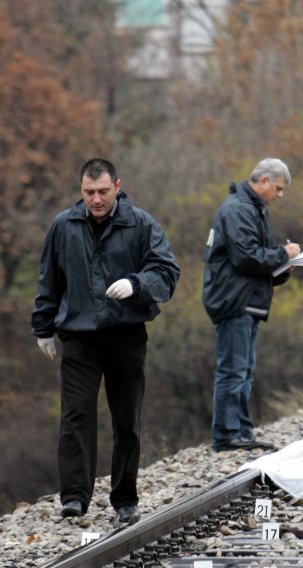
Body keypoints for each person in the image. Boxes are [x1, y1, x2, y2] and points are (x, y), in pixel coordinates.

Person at [31, 158, 180, 523]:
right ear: (81, 190)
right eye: (88, 192)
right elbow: (49, 278)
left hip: (126, 336)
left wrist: (137, 284)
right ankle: (74, 498)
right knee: (76, 416)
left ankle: (125, 497)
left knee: (126, 419)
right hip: (79, 336)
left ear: (117, 185)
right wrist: (43, 327)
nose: (95, 199)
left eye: (102, 191)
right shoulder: (64, 226)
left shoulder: (140, 224)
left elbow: (167, 271)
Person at [202, 157, 301, 452]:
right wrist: (282, 254)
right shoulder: (238, 210)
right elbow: (246, 257)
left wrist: (281, 269)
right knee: (233, 370)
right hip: (234, 301)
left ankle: (241, 431)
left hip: (246, 300)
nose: (280, 195)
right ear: (263, 181)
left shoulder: (252, 209)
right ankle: (227, 433)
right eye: (279, 189)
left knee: (243, 370)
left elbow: (254, 261)